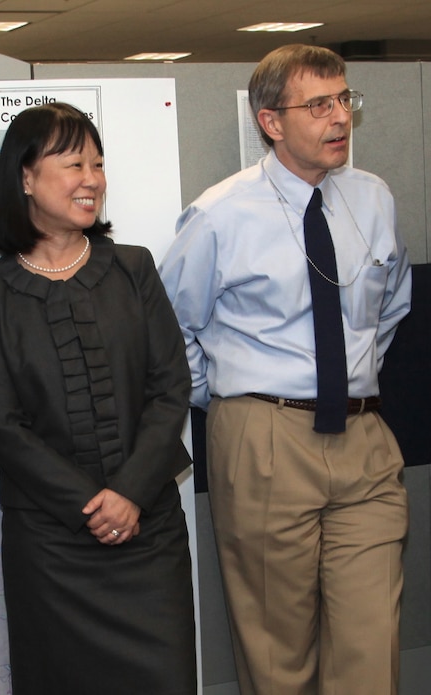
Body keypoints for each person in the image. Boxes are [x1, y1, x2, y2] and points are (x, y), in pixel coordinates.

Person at [159, 44, 411, 695]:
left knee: (370, 643)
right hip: (264, 436)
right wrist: (235, 404)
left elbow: (390, 309)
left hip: (363, 437)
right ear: (271, 121)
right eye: (319, 104)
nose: (340, 118)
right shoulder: (219, 213)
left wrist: (352, 381)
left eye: (345, 100)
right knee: (278, 655)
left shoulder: (373, 198)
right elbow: (170, 326)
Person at [0, 102, 196, 694]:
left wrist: (129, 494)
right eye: (72, 164)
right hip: (51, 548)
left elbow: (171, 388)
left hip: (150, 534)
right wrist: (94, 503)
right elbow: (2, 425)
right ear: (26, 178)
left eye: (97, 163)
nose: (91, 178)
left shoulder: (134, 269)